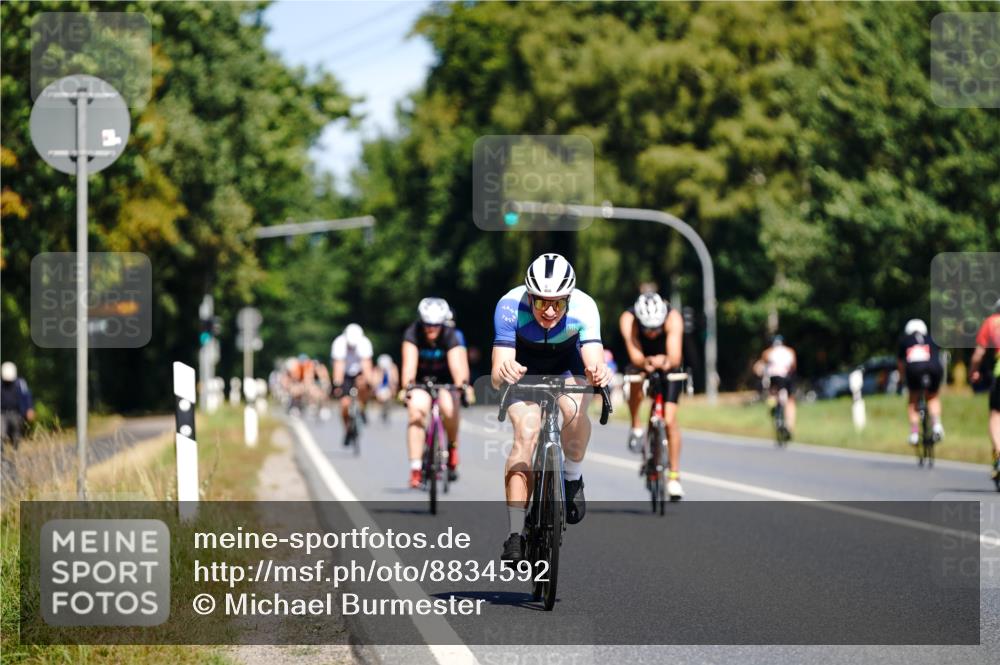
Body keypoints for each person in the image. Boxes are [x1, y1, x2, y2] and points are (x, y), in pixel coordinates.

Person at [492, 253, 612, 562]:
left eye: (558, 304)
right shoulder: (509, 306)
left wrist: (598, 372)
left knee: (573, 412)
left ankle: (572, 477)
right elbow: (496, 375)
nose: (548, 311)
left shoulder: (585, 307)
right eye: (541, 302)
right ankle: (515, 534)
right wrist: (505, 371)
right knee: (525, 435)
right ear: (529, 296)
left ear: (569, 299)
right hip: (524, 370)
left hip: (566, 366)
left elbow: (592, 360)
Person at [619, 291, 686, 500]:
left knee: (669, 420)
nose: (652, 333)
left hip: (668, 363)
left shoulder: (673, 317)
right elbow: (634, 352)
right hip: (641, 360)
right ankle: (636, 424)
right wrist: (644, 363)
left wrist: (663, 362)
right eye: (647, 328)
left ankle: (674, 477)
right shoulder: (628, 319)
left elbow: (675, 356)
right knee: (635, 382)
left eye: (656, 328)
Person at [401, 297, 470, 487]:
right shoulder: (412, 332)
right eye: (427, 324)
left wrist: (462, 386)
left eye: (436, 325)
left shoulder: (450, 334)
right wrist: (407, 386)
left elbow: (457, 365)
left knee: (449, 408)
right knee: (416, 412)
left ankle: (452, 446)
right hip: (421, 381)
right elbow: (409, 365)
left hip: (445, 380)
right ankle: (415, 468)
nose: (431, 329)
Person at [897, 319, 944, 445]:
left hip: (914, 371)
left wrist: (901, 379)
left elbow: (901, 363)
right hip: (934, 369)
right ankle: (937, 425)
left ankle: (914, 433)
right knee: (933, 396)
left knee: (913, 400)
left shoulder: (905, 340)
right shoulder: (931, 338)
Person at [969, 299, 1000, 482]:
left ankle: (999, 451)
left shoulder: (991, 322)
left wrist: (973, 371)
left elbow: (979, 353)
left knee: (996, 414)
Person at [331, 323, 374, 443]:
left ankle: (362, 408)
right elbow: (338, 366)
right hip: (345, 374)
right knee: (344, 404)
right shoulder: (339, 343)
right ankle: (347, 430)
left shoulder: (364, 343)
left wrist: (369, 383)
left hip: (359, 372)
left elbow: (366, 365)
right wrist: (337, 385)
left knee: (363, 384)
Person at [754, 335, 797, 437]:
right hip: (786, 378)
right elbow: (793, 367)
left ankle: (773, 408)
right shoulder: (790, 351)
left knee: (772, 394)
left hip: (774, 378)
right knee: (790, 400)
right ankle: (789, 427)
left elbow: (759, 367)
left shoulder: (768, 352)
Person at [1, 362, 35, 449]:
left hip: (16, 414)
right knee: (1, 433)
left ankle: (15, 452)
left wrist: (29, 409)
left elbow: (27, 396)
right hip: (2, 413)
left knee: (16, 435)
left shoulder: (20, 383)